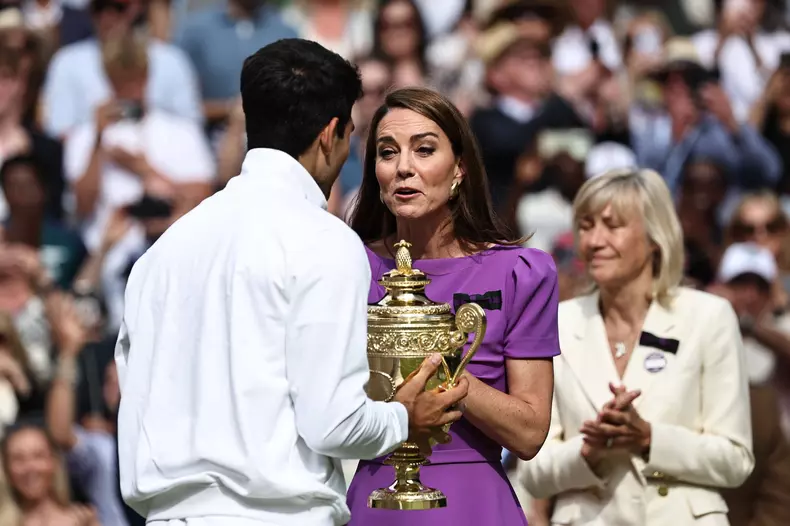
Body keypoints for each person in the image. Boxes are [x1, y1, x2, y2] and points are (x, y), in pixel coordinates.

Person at [114, 39, 468, 526]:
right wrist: (405, 417)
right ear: (331, 134)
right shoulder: (323, 240)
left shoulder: (161, 254)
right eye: (350, 137)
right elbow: (334, 424)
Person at [345, 87, 560, 525]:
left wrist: (438, 357)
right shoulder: (344, 264)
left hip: (474, 503)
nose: (404, 167)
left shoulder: (519, 271)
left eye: (424, 150)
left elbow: (529, 433)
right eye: (387, 153)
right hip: (374, 499)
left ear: (459, 168)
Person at [519, 168, 755, 525]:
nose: (594, 241)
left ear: (654, 235)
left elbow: (736, 460)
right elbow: (533, 472)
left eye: (612, 226)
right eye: (585, 226)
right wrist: (588, 452)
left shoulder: (709, 316)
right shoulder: (558, 324)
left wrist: (648, 438)